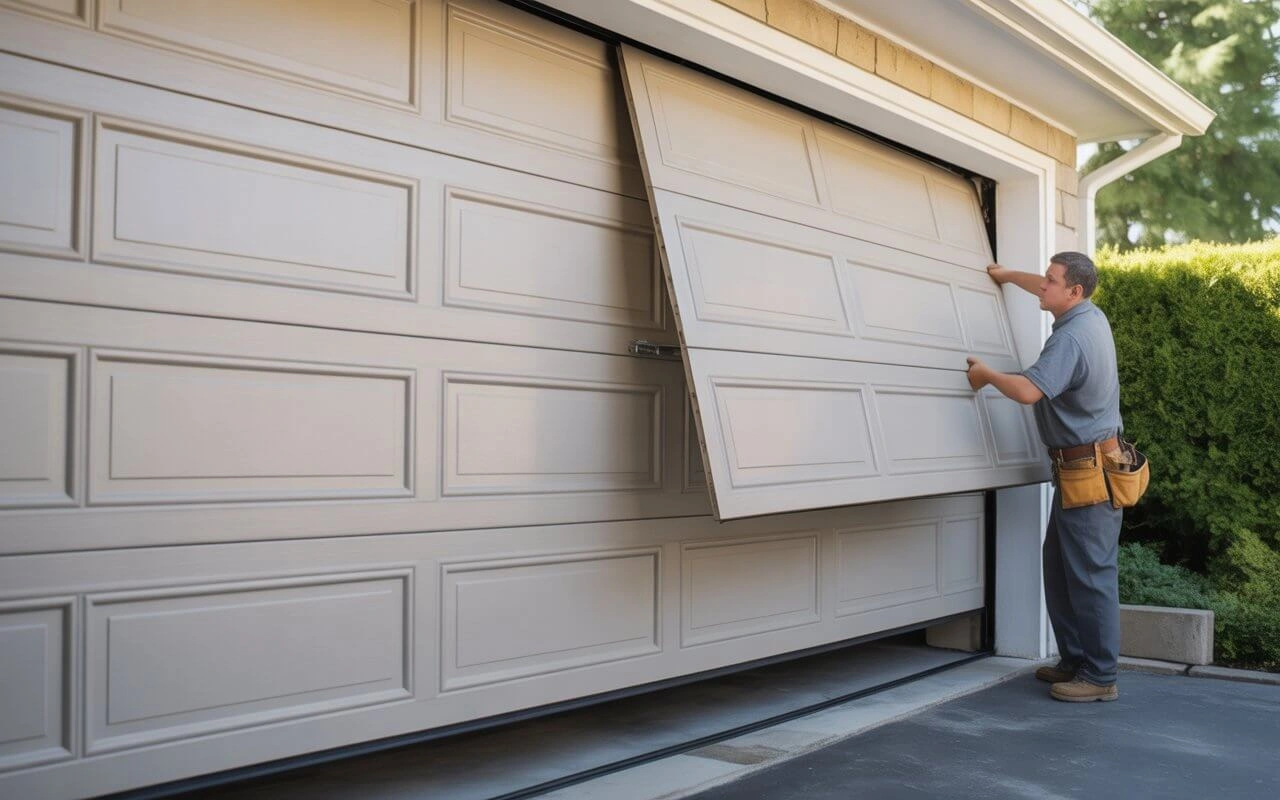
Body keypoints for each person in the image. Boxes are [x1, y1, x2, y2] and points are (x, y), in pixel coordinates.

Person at [965, 251, 1125, 703]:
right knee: (1059, 567)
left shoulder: (1071, 339)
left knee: (1091, 575)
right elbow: (1045, 281)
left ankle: (1100, 677)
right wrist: (1007, 275)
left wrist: (987, 376)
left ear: (1072, 291)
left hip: (1089, 475)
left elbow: (1029, 391)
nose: (1043, 286)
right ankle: (1076, 660)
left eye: (1050, 282)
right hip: (1079, 472)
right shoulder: (1089, 313)